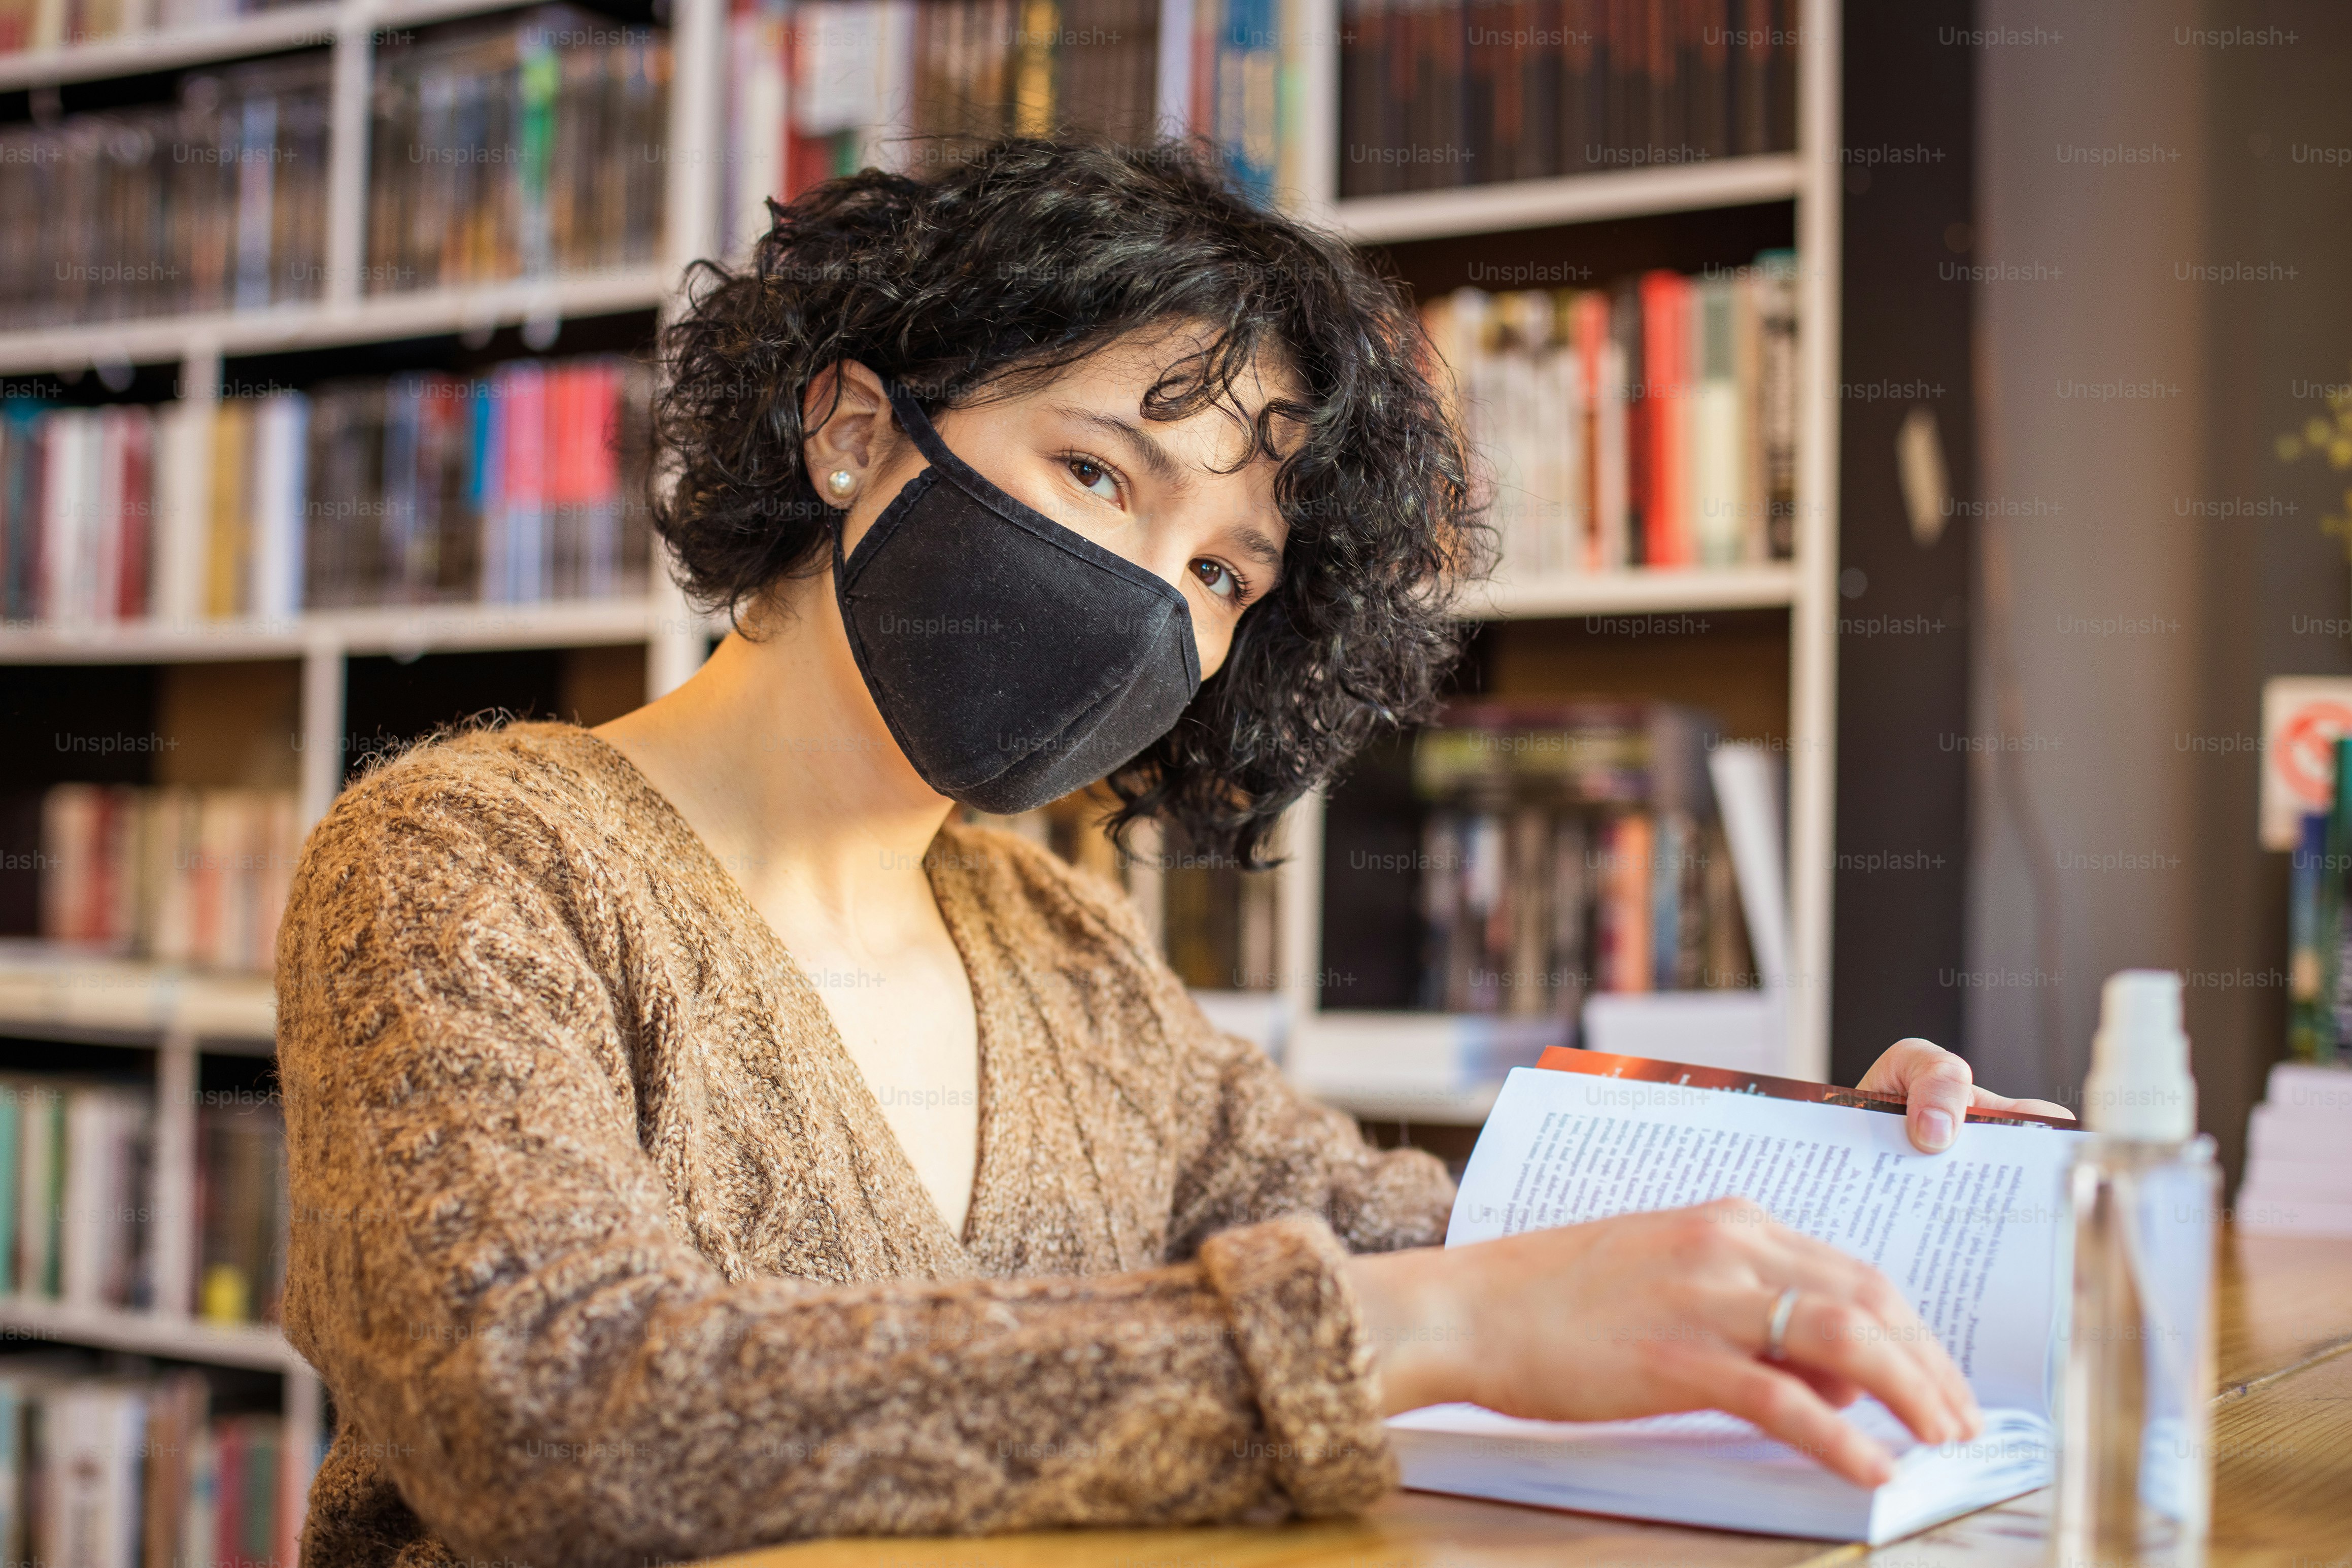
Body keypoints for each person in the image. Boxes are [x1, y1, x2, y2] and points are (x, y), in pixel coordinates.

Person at [276, 139, 2072, 1568]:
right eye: (1100, 477)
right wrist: (1393, 1334)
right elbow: (549, 1413)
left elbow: (1401, 1229)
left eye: (1223, 574)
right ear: (848, 431)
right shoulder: (463, 862)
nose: (1152, 597)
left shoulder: (1053, 941)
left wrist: (1810, 1186)